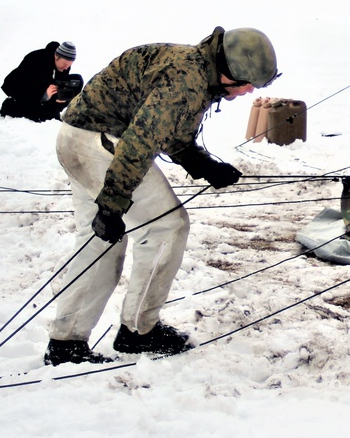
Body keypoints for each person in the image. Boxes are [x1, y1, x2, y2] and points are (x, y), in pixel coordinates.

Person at [44, 26, 279, 366]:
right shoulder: (186, 82)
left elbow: (170, 130)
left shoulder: (197, 68)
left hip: (76, 137)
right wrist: (112, 205)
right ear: (229, 67)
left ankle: (66, 343)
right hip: (101, 145)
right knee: (167, 227)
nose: (248, 91)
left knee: (100, 242)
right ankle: (139, 331)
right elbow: (139, 144)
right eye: (246, 83)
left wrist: (203, 164)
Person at [0, 40, 82, 122]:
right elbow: (18, 86)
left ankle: (51, 111)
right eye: (65, 64)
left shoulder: (63, 66)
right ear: (56, 56)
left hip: (45, 99)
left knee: (77, 80)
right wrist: (45, 95)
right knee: (36, 110)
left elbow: (58, 81)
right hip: (22, 96)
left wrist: (60, 95)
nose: (66, 68)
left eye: (69, 65)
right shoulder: (36, 60)